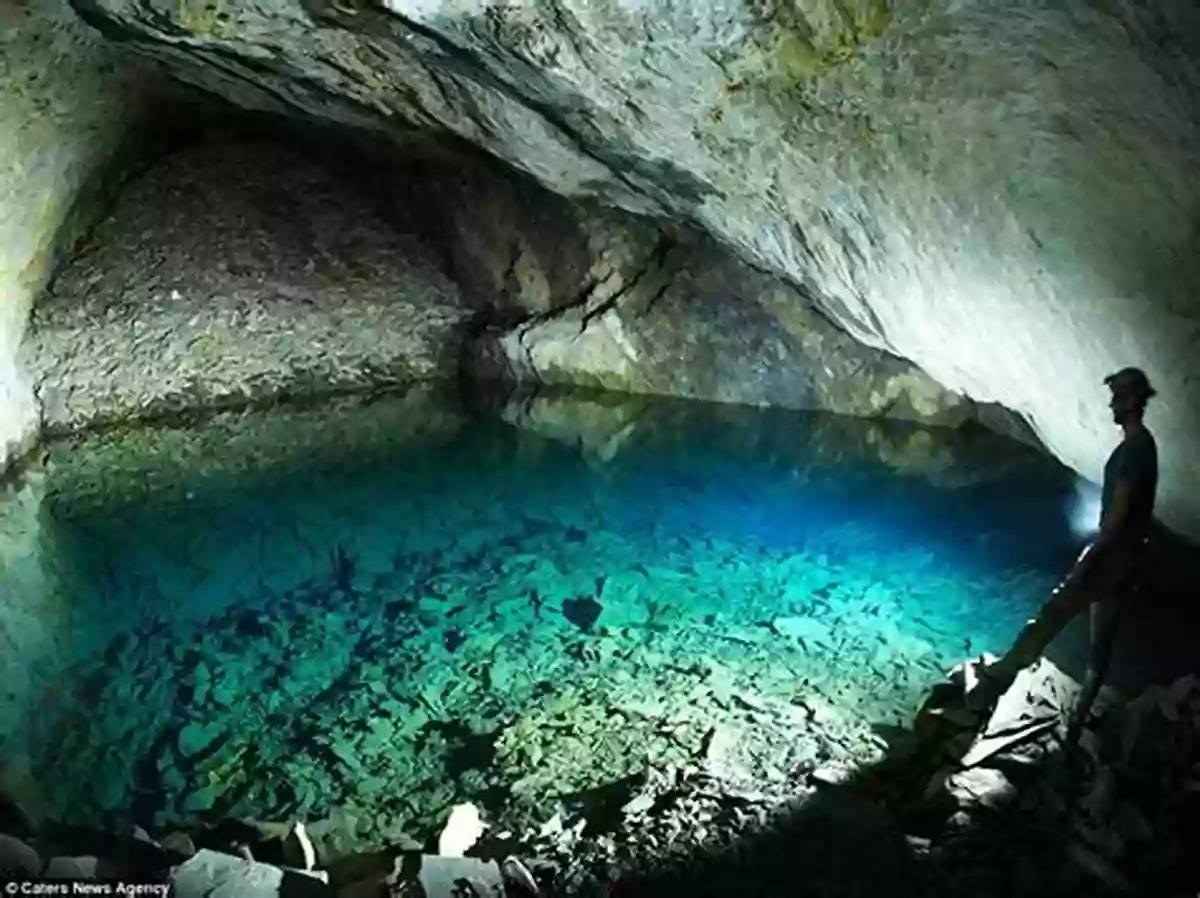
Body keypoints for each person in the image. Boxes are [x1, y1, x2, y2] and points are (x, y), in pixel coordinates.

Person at [977, 366, 1159, 734]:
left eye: (1116, 397)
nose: (1111, 404)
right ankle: (1078, 719)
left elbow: (1118, 517)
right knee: (1101, 645)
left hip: (1110, 560)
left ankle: (1000, 676)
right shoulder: (1145, 445)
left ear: (1130, 401)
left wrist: (1087, 559)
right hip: (1130, 562)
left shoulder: (1134, 451)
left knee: (1052, 614)